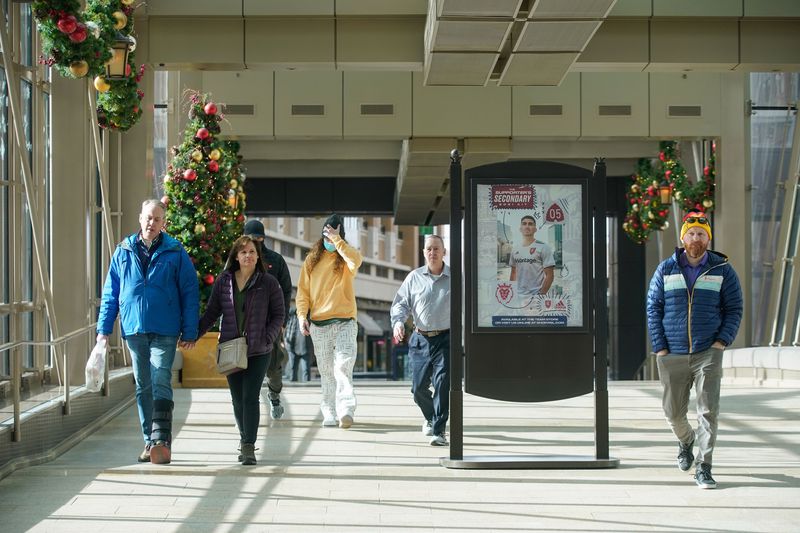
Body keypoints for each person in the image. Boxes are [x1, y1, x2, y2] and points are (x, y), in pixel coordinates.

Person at [97, 199, 199, 465]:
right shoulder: (123, 251)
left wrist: (189, 331)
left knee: (161, 377)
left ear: (163, 223)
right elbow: (110, 294)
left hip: (165, 329)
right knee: (143, 385)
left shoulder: (176, 252)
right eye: (148, 218)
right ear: (139, 218)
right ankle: (149, 440)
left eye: (157, 219)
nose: (151, 223)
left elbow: (189, 292)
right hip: (134, 329)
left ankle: (162, 438)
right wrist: (103, 330)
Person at [646, 212, 743, 489]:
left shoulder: (723, 270)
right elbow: (653, 308)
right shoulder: (665, 269)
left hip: (707, 351)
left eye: (701, 233)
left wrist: (721, 342)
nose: (696, 238)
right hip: (672, 353)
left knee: (708, 410)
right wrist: (660, 348)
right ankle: (686, 440)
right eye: (692, 233)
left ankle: (704, 466)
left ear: (708, 238)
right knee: (673, 413)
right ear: (683, 237)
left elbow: (734, 308)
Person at [197, 236, 285, 465]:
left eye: (252, 252)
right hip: (230, 347)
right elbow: (212, 313)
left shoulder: (268, 283)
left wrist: (268, 337)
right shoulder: (224, 281)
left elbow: (279, 315)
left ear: (258, 257)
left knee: (250, 396)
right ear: (236, 255)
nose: (248, 256)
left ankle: (248, 446)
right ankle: (243, 437)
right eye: (243, 252)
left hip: (259, 349)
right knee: (237, 399)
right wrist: (193, 335)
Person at [296, 214, 362, 429]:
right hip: (319, 323)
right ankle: (329, 411)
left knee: (343, 365)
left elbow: (356, 260)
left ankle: (346, 409)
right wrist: (301, 317)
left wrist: (338, 242)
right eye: (327, 233)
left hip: (345, 321)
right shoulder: (311, 260)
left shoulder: (345, 257)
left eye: (333, 233)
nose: (329, 238)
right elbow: (303, 292)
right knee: (326, 370)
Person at [390, 234, 451, 446]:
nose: (432, 252)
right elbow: (400, 304)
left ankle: (439, 431)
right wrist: (398, 323)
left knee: (443, 384)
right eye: (428, 249)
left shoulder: (455, 277)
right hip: (420, 339)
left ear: (444, 252)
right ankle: (432, 417)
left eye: (436, 249)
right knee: (417, 389)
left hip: (445, 338)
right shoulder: (414, 278)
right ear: (424, 252)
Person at [243, 219, 292, 420]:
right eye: (252, 238)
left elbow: (286, 290)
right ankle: (246, 409)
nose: (256, 242)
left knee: (273, 368)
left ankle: (274, 394)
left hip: (270, 323)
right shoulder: (238, 259)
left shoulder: (276, 260)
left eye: (259, 238)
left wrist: (282, 320)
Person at [509, 215, 555, 295]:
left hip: (536, 295)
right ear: (520, 229)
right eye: (524, 224)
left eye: (530, 224)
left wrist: (541, 295)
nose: (527, 226)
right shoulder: (515, 249)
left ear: (535, 229)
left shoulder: (543, 247)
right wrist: (512, 293)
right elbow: (513, 273)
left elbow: (550, 275)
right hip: (517, 295)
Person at [285, 309, 313, 382]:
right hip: (292, 347)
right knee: (292, 369)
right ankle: (293, 390)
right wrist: (284, 341)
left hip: (306, 347)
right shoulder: (292, 315)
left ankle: (308, 389)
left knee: (306, 370)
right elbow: (285, 327)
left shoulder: (310, 315)